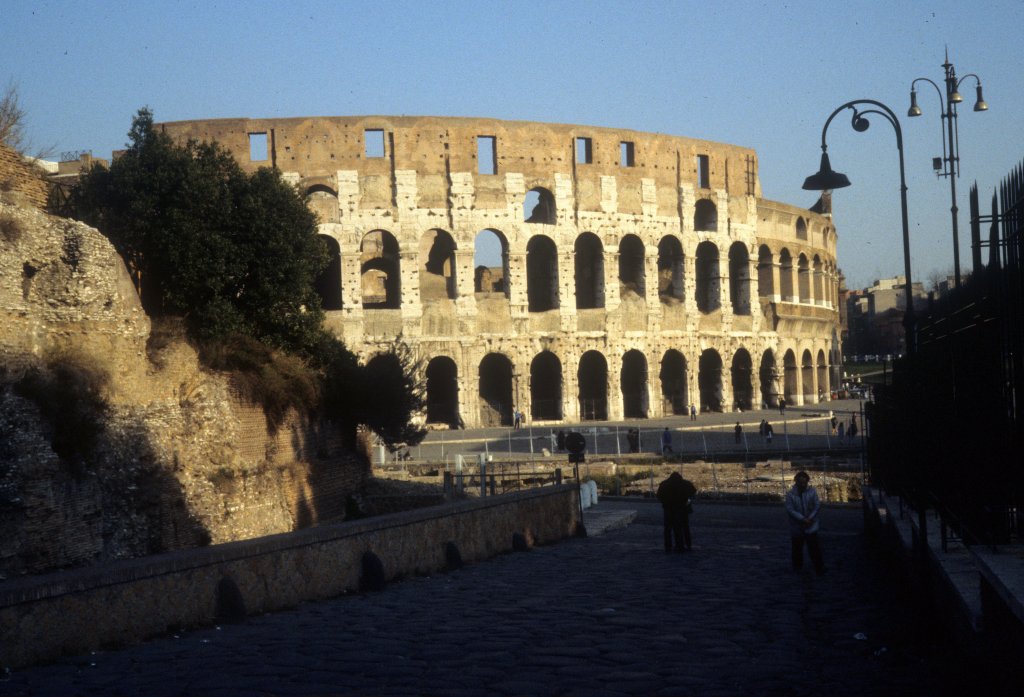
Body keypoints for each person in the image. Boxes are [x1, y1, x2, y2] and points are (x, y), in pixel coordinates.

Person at [784, 471, 825, 574]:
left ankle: (818, 567)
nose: (802, 485)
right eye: (800, 483)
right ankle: (798, 567)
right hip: (798, 526)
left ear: (807, 482)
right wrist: (803, 519)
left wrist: (809, 518)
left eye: (804, 483)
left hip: (810, 524)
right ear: (796, 482)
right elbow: (790, 509)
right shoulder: (790, 494)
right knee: (797, 549)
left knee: (814, 548)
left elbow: (817, 505)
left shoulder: (812, 492)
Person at [656, 472, 697, 552]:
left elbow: (659, 496)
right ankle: (682, 546)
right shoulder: (685, 484)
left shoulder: (664, 484)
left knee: (668, 529)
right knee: (681, 528)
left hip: (668, 509)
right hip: (682, 509)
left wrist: (665, 502)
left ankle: (668, 547)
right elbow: (693, 491)